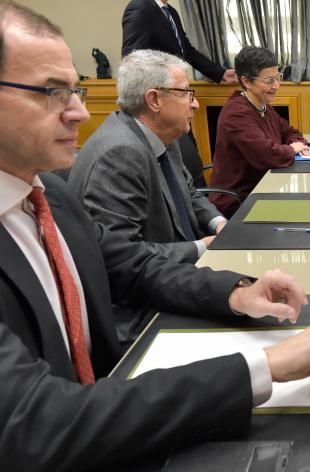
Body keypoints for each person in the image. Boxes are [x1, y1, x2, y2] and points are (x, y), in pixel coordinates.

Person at [0, 2, 310, 468]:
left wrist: (238, 292)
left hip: (115, 406)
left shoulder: (50, 196)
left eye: (76, 89)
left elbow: (131, 266)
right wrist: (263, 368)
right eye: (51, 92)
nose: (80, 112)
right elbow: (38, 424)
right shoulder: (101, 160)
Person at [69, 49, 229, 346]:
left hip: (179, 276)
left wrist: (219, 224)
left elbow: (190, 193)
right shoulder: (120, 153)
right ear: (154, 100)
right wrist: (200, 247)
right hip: (141, 312)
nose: (195, 104)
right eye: (186, 93)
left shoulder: (163, 135)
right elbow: (121, 260)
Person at [210, 46, 310, 218]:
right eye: (269, 81)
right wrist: (293, 148)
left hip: (265, 188)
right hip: (238, 203)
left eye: (278, 78)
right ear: (247, 81)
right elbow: (267, 155)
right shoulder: (236, 112)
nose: (277, 86)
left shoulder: (262, 105)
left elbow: (289, 131)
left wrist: (298, 143)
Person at [121, 0, 237, 84]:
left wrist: (221, 73)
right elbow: (133, 58)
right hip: (156, 89)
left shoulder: (171, 12)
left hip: (175, 85)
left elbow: (186, 51)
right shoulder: (140, 7)